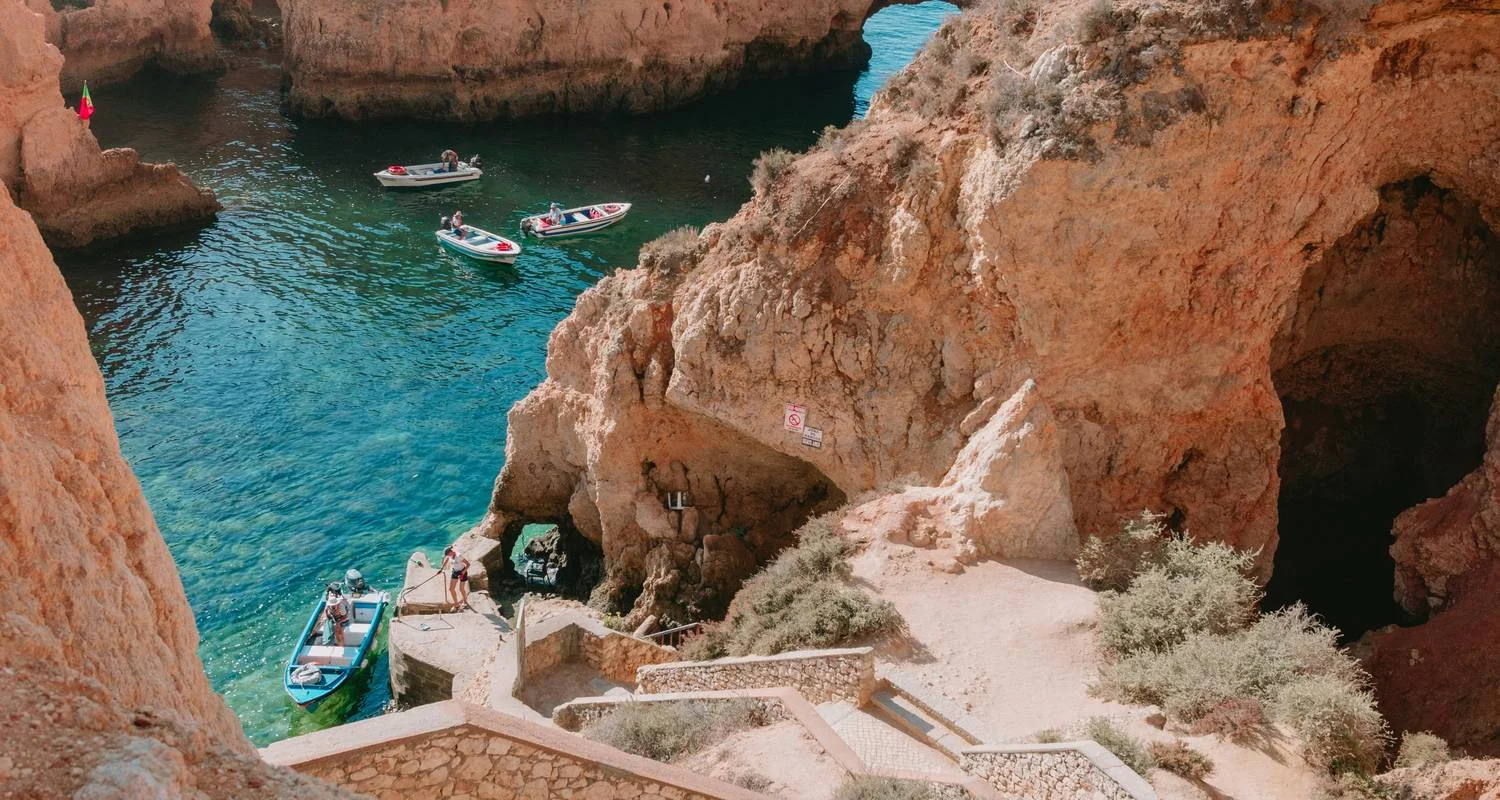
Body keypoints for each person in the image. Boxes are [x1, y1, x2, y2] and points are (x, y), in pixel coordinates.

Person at [441, 547, 470, 612]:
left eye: (448, 554)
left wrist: (462, 573)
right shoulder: (449, 556)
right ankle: (456, 605)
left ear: (450, 552)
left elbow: (468, 564)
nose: (448, 556)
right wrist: (441, 569)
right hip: (455, 572)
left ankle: (465, 602)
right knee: (451, 589)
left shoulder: (458, 555)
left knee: (461, 589)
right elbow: (446, 561)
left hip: (462, 572)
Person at [322, 583, 351, 647]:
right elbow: (325, 610)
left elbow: (345, 617)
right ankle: (332, 641)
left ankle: (341, 645)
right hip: (334, 618)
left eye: (334, 605)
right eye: (332, 606)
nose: (333, 606)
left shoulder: (341, 607)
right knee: (334, 631)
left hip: (342, 619)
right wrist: (325, 617)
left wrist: (338, 623)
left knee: (339, 633)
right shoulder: (328, 605)